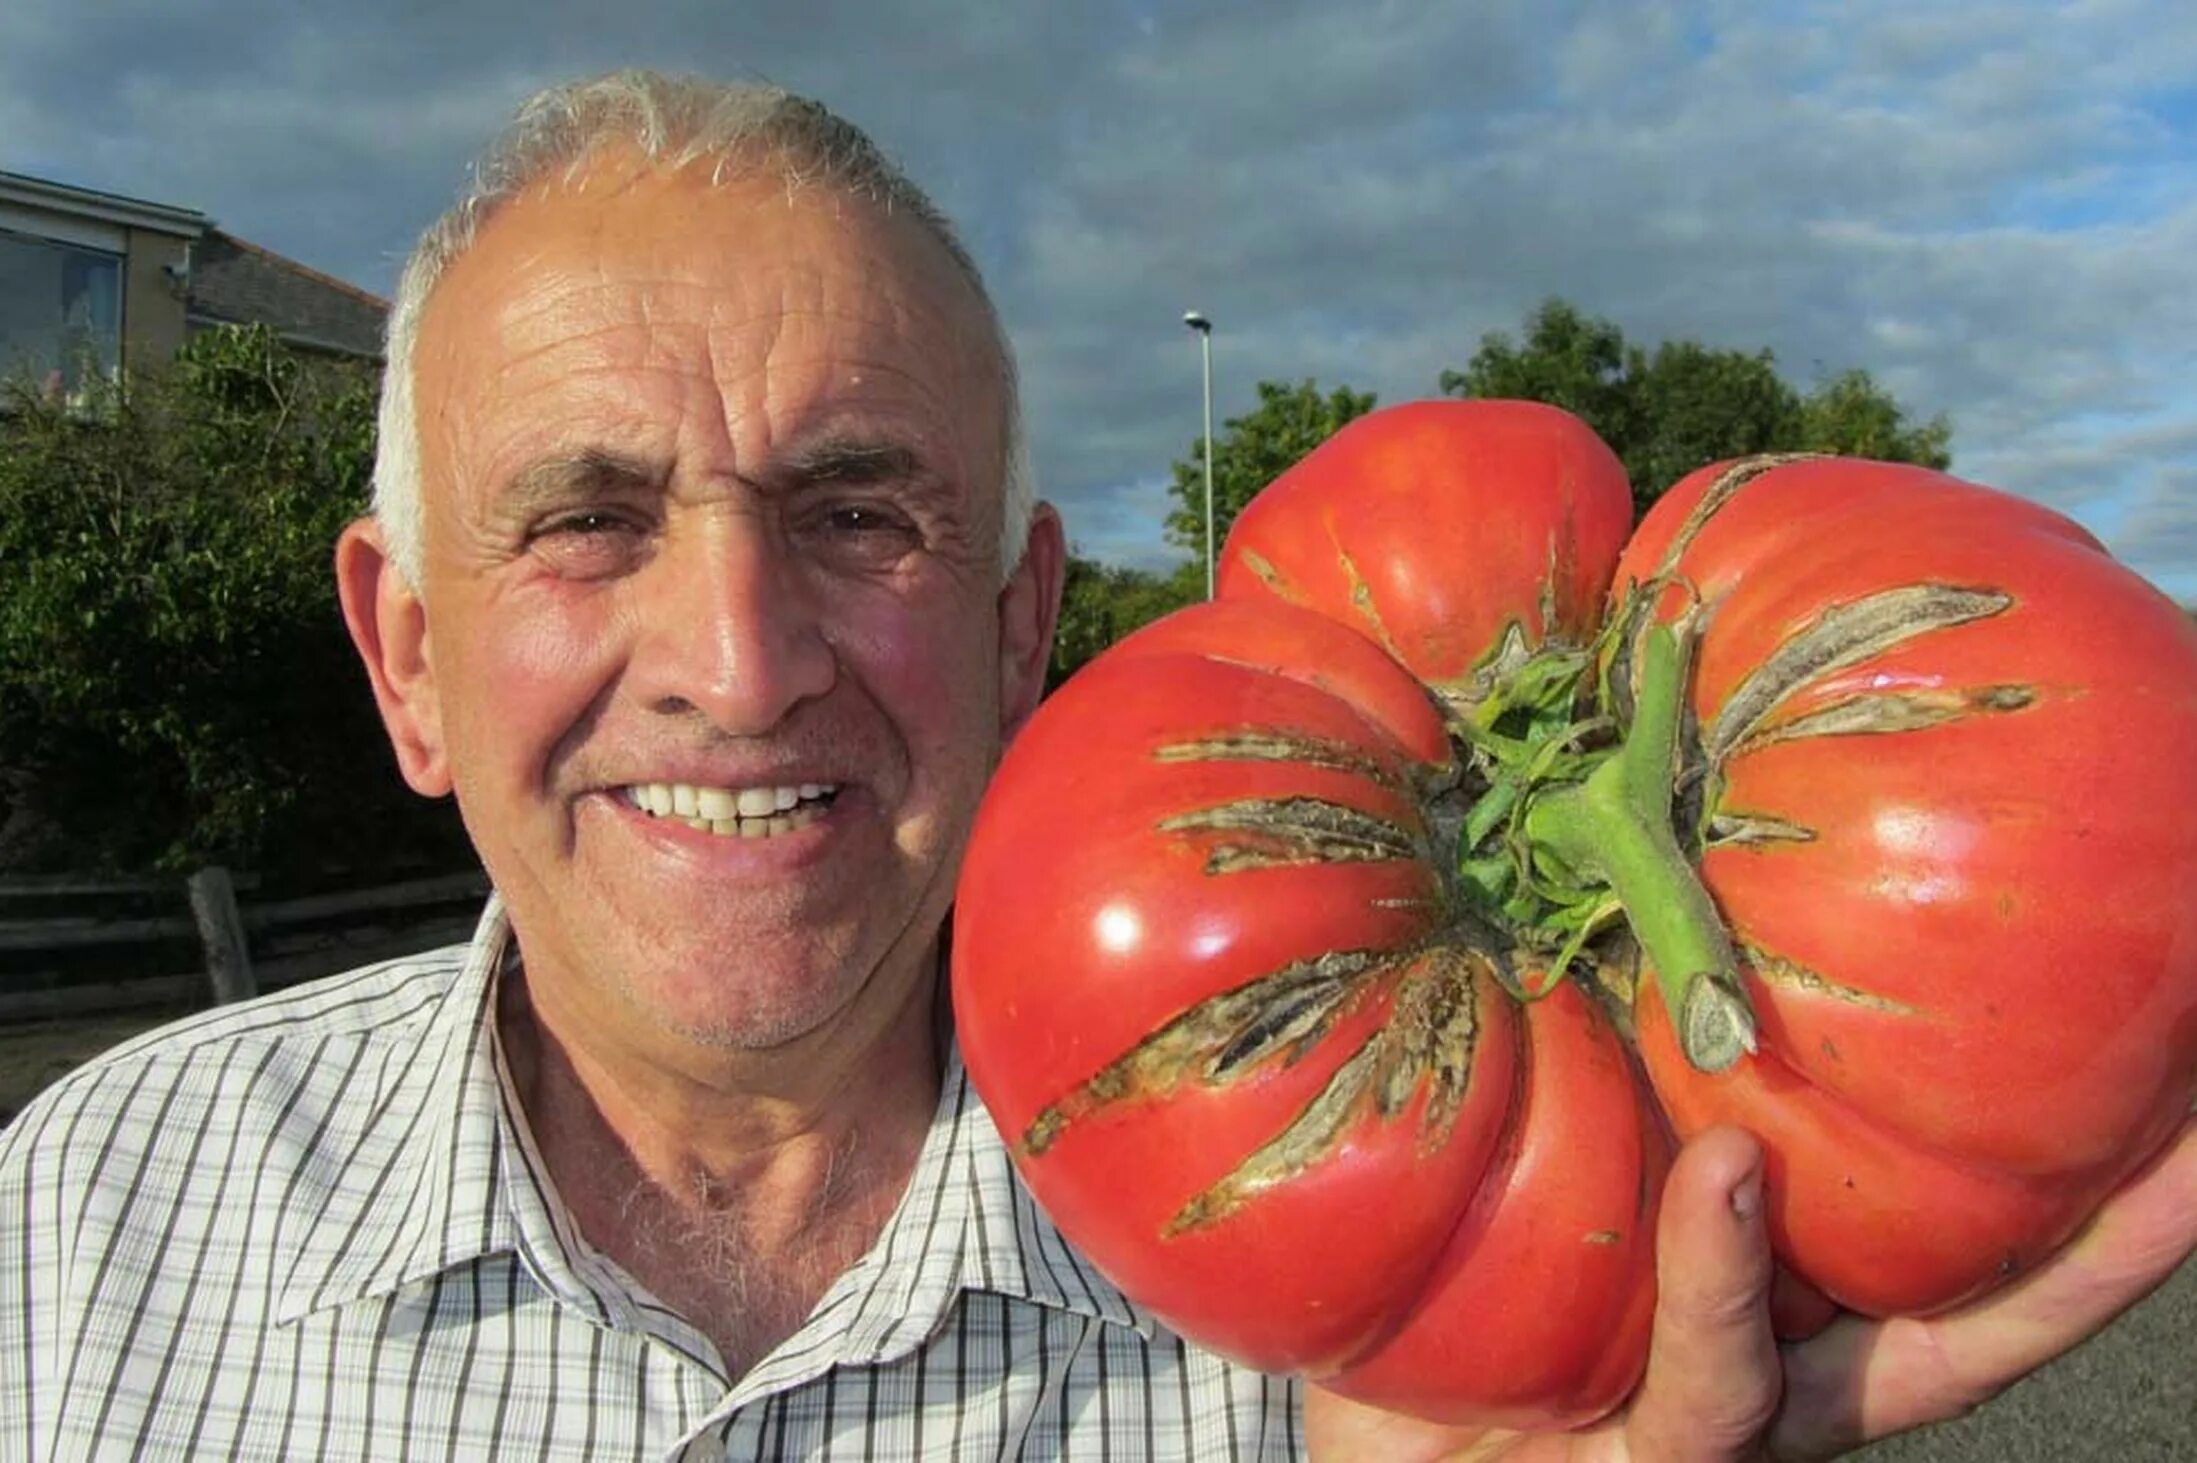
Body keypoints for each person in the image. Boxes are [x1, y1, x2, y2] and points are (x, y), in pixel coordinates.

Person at [1, 69, 2191, 1461]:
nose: (740, 663)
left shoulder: (1401, 1369)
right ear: (404, 657)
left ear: (1023, 626)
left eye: (862, 514)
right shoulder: (87, 1237)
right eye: (584, 518)